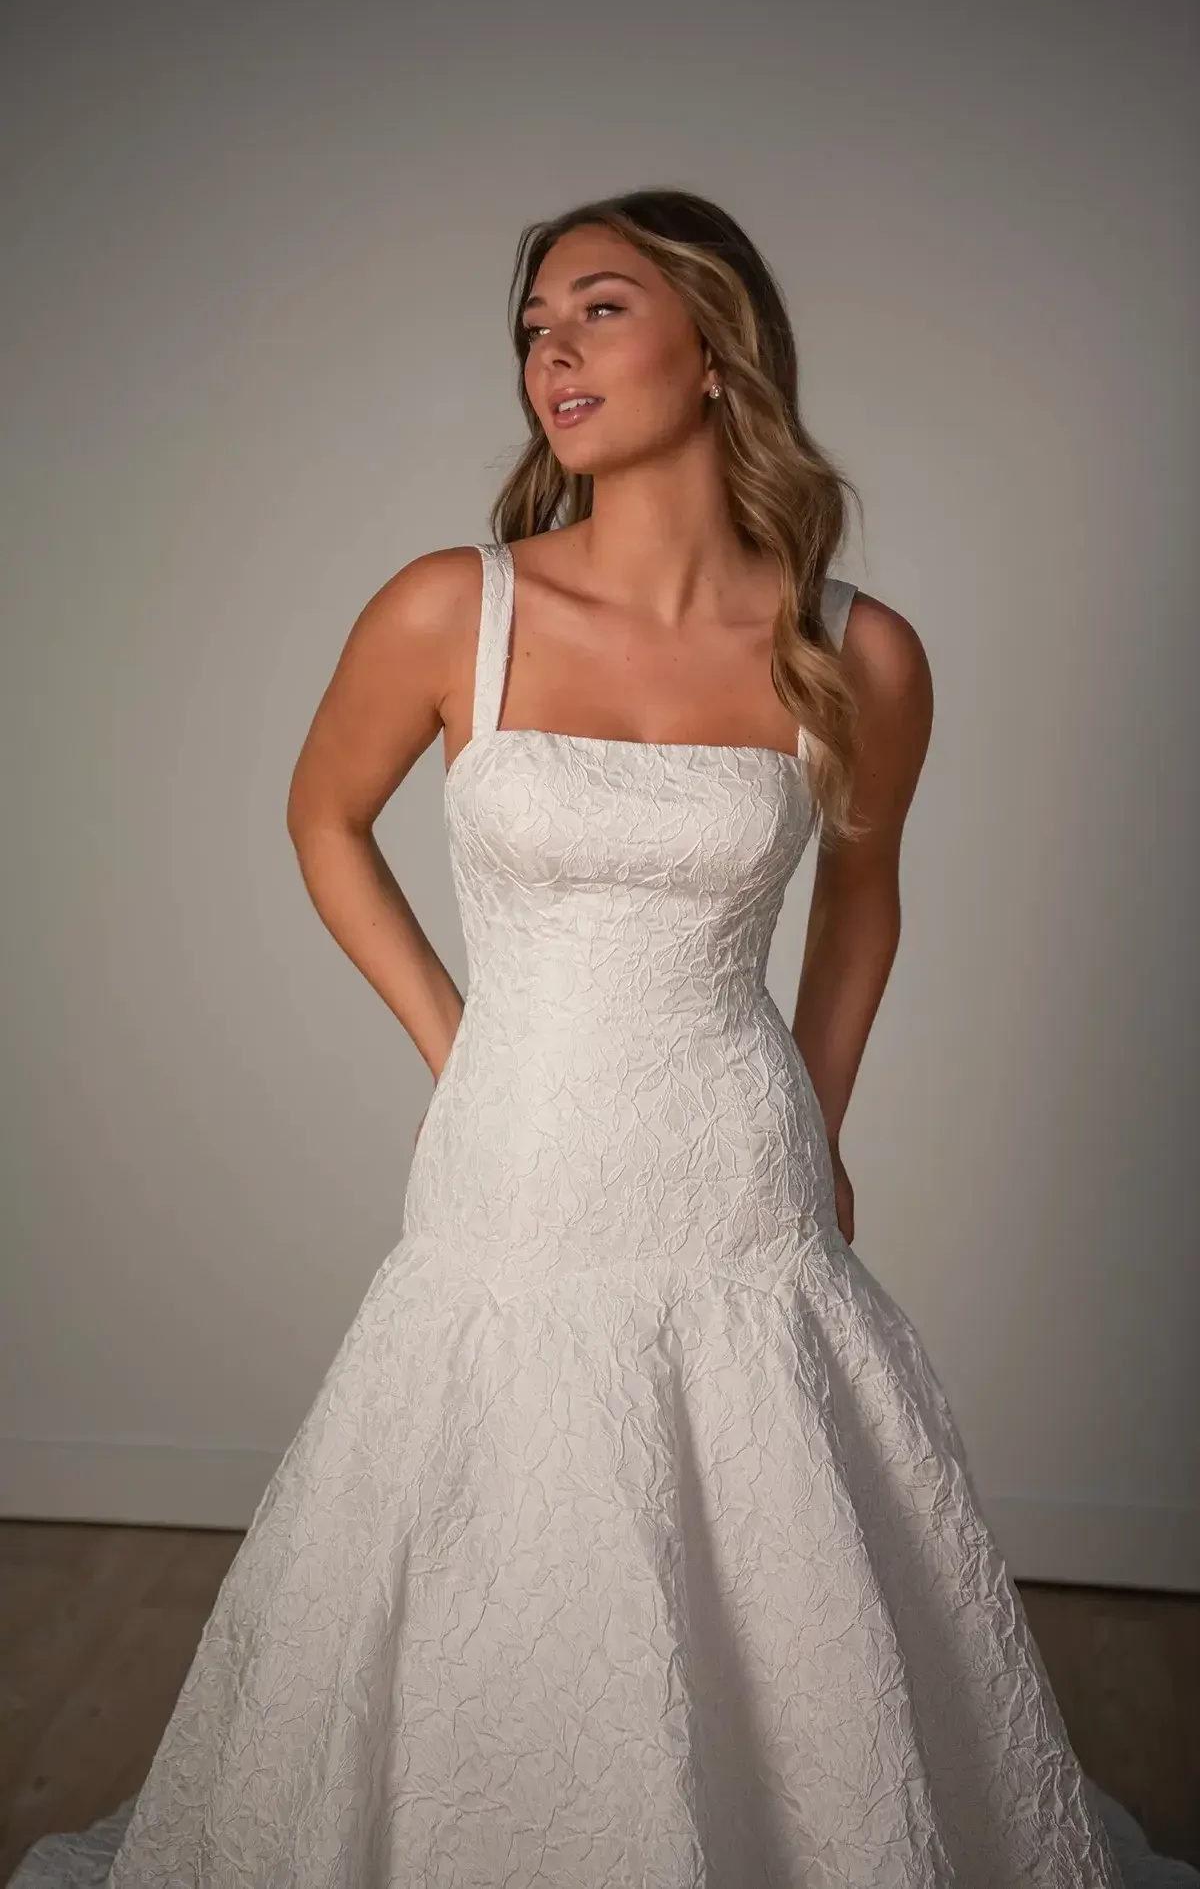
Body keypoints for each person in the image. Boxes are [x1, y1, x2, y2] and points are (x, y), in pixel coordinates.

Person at [13, 188, 1195, 1888]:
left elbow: (862, 909)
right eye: (533, 328)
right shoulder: (452, 607)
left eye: (600, 309)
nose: (551, 352)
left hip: (736, 1166)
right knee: (498, 1532)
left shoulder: (857, 649)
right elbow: (321, 819)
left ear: (716, 347)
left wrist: (822, 1122)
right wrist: (459, 1044)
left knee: (771, 1558)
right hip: (517, 1151)